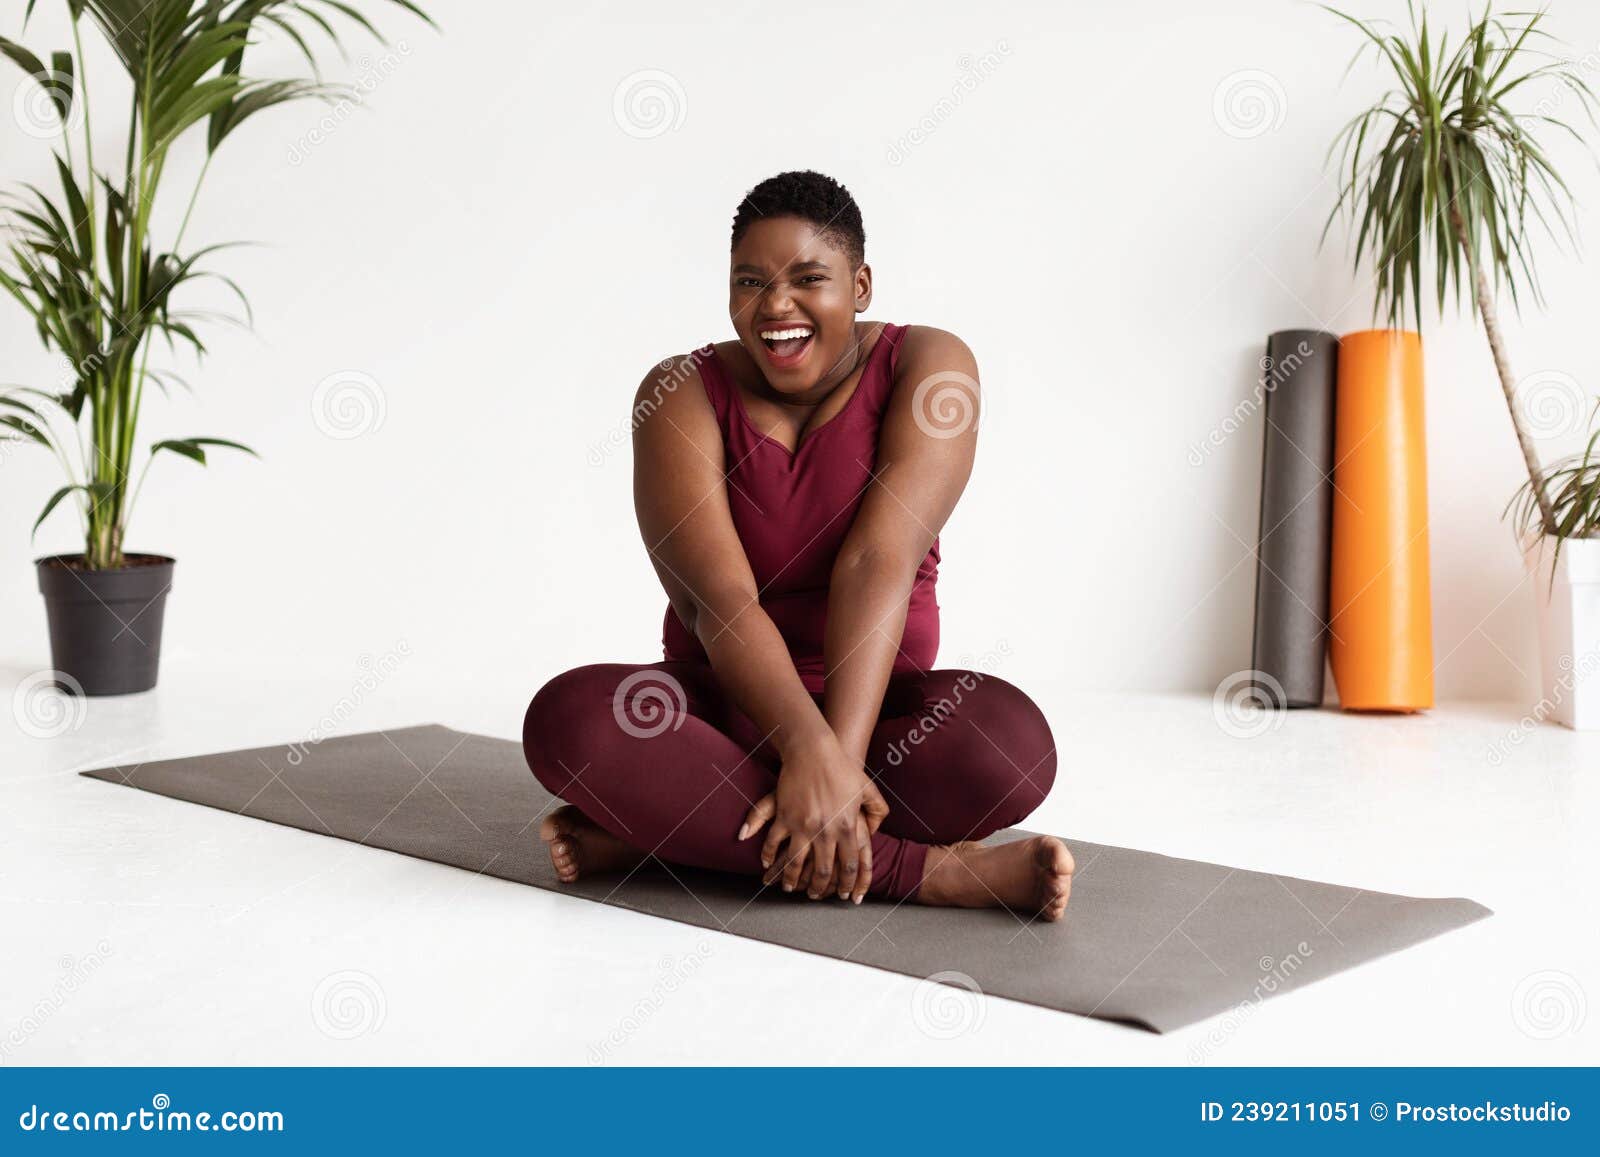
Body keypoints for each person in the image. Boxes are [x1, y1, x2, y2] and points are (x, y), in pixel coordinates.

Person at [523, 171, 1071, 918]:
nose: (775, 305)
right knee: (571, 720)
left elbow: (877, 561)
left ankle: (664, 837)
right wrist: (806, 754)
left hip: (879, 724)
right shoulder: (679, 389)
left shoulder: (930, 365)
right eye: (750, 281)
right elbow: (716, 599)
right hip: (719, 714)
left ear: (862, 284)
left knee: (1011, 744)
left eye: (808, 278)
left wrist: (835, 760)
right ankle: (930, 873)